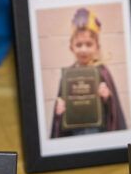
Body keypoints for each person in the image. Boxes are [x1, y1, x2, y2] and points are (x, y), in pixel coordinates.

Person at [50, 8, 126, 137]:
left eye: (89, 44)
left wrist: (107, 97)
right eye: (79, 45)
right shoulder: (68, 75)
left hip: (99, 131)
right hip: (75, 132)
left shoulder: (102, 71)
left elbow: (113, 110)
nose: (83, 50)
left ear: (97, 47)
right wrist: (59, 111)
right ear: (71, 47)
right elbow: (62, 105)